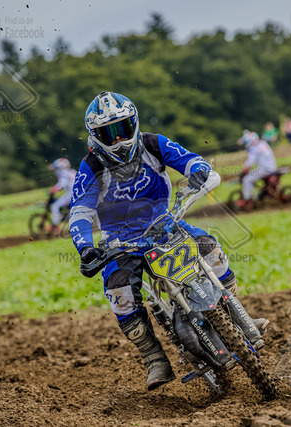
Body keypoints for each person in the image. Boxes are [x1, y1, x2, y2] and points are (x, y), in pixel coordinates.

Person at [70, 92, 268, 391]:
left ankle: (237, 316)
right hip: (121, 240)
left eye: (122, 129)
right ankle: (154, 358)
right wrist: (85, 247)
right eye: (108, 134)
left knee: (210, 250)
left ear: (134, 123)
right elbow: (80, 212)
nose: (118, 139)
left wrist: (199, 172)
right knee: (119, 292)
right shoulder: (91, 166)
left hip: (164, 222)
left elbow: (190, 159)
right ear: (95, 137)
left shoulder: (153, 143)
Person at [237, 129, 278, 209]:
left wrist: (244, 171)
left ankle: (247, 199)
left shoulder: (254, 148)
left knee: (247, 179)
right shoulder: (263, 143)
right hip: (272, 167)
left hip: (265, 169)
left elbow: (250, 162)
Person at [45, 158, 76, 233]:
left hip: (71, 193)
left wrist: (54, 189)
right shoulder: (72, 171)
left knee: (55, 206)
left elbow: (62, 184)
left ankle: (55, 226)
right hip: (78, 192)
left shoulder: (63, 173)